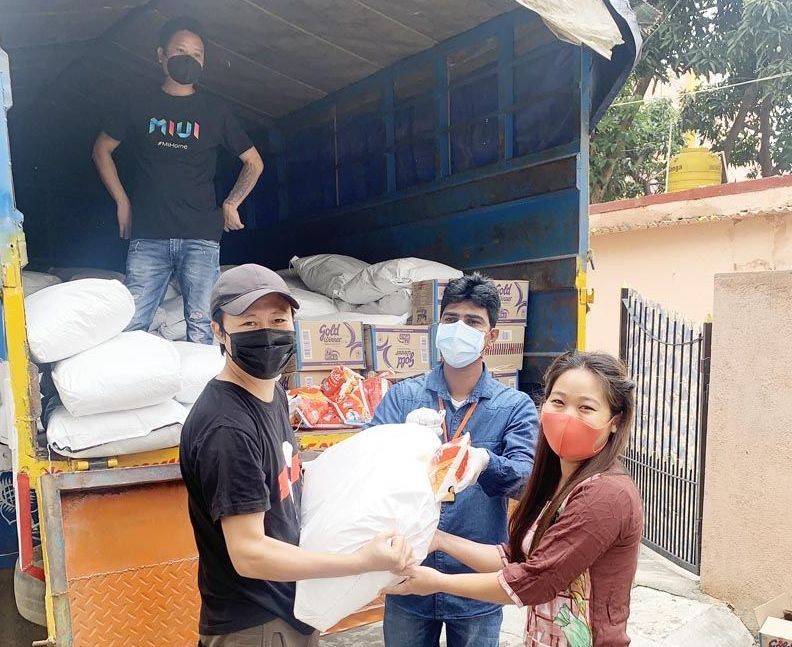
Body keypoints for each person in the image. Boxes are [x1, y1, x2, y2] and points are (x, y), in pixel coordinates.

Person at [180, 264, 414, 647]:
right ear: (218, 331)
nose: (266, 333)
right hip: (255, 624)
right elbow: (249, 553)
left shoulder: (272, 394)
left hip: (289, 609)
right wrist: (361, 561)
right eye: (249, 323)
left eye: (277, 320)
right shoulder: (227, 427)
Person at [384, 351, 643, 647]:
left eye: (586, 408)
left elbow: (537, 580)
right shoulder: (558, 482)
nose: (567, 417)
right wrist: (439, 539)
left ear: (614, 421)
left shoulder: (605, 496)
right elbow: (516, 557)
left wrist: (437, 582)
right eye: (558, 402)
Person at [369, 272, 539, 647]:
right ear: (438, 327)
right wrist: (401, 443)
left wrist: (484, 463)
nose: (459, 328)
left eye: (473, 321)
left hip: (476, 585)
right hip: (408, 576)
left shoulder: (515, 406)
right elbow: (367, 466)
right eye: (451, 319)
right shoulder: (403, 397)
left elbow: (527, 480)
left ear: (491, 337)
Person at [93, 17, 264, 344]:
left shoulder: (215, 111)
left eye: (197, 55)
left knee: (204, 329)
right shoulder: (138, 103)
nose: (189, 59)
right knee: (132, 326)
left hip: (200, 236)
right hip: (149, 234)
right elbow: (102, 149)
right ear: (161, 55)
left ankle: (204, 380)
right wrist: (122, 201)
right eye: (181, 51)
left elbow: (254, 162)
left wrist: (232, 202)